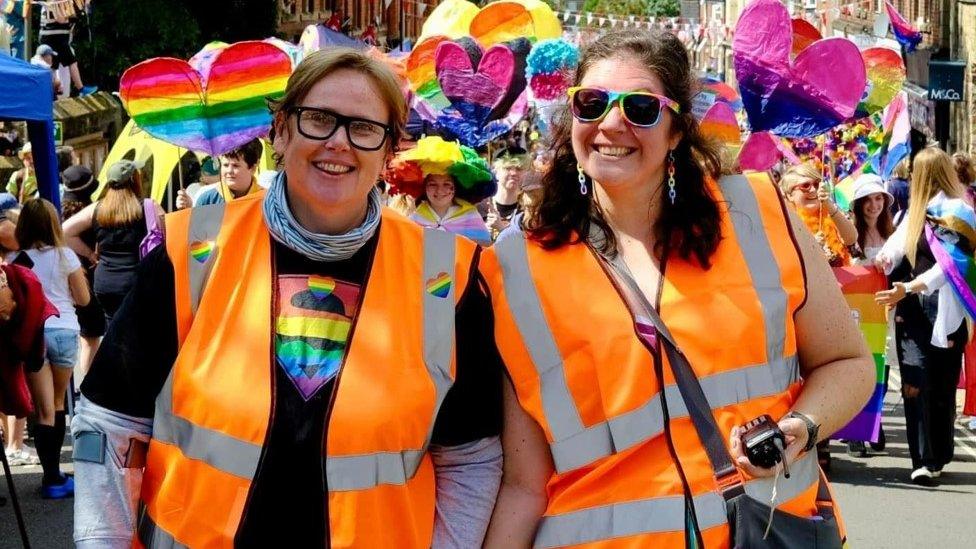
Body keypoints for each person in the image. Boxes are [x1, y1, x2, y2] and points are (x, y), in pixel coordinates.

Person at [72, 48, 502, 548]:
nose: (339, 142)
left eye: (364, 128)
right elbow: (109, 425)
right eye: (319, 119)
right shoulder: (190, 249)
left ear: (388, 153)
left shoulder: (447, 276)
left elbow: (470, 458)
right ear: (280, 131)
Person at [481, 30, 874, 547]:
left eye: (641, 107)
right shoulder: (514, 268)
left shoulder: (758, 212)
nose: (611, 123)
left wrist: (801, 425)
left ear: (676, 131)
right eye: (591, 103)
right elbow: (523, 485)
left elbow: (848, 363)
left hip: (761, 532)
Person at [875, 147, 973, 486]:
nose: (922, 179)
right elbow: (892, 253)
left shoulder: (961, 212)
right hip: (912, 316)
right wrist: (880, 262)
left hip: (946, 316)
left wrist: (910, 287)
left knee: (943, 390)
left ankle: (938, 453)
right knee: (914, 384)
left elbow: (952, 267)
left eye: (926, 172)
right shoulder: (909, 216)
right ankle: (924, 460)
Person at [6, 198, 90, 498]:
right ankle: (56, 479)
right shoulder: (66, 255)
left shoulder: (15, 260)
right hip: (65, 329)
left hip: (34, 333)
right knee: (57, 403)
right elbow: (83, 300)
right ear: (53, 224)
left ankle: (52, 476)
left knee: (42, 410)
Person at [63, 160, 161, 324]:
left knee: (113, 335)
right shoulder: (148, 207)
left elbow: (65, 231)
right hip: (139, 282)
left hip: (106, 284)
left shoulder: (97, 209)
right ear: (133, 180)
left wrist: (90, 254)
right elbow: (171, 233)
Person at [846, 174, 897, 457]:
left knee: (882, 371)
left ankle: (872, 423)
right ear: (858, 203)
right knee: (859, 371)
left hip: (885, 314)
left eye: (879, 199)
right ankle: (855, 432)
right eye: (868, 199)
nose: (874, 205)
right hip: (856, 314)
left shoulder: (892, 234)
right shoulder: (848, 234)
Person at [386, 135, 495, 246]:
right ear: (424, 187)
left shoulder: (470, 218)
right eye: (432, 184)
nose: (439, 190)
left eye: (447, 184)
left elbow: (483, 254)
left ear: (456, 187)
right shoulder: (415, 219)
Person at [60, 165, 105, 376]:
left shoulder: (58, 213)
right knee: (90, 337)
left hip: (64, 282)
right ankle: (88, 383)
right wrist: (90, 254)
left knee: (83, 336)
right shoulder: (91, 214)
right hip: (88, 280)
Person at [781, 162, 858, 267]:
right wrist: (811, 247)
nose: (813, 190)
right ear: (790, 195)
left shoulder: (832, 216)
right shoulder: (786, 226)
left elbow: (852, 238)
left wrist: (829, 204)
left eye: (817, 184)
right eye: (805, 186)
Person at [175, 140, 264, 209]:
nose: (229, 171)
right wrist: (187, 211)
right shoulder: (208, 199)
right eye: (225, 165)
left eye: (235, 166)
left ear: (252, 168)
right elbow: (196, 232)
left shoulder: (266, 199)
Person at [484, 147, 528, 238]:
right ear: (495, 171)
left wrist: (502, 229)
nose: (513, 173)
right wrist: (481, 232)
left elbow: (527, 249)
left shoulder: (528, 209)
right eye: (507, 168)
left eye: (519, 169)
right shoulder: (481, 205)